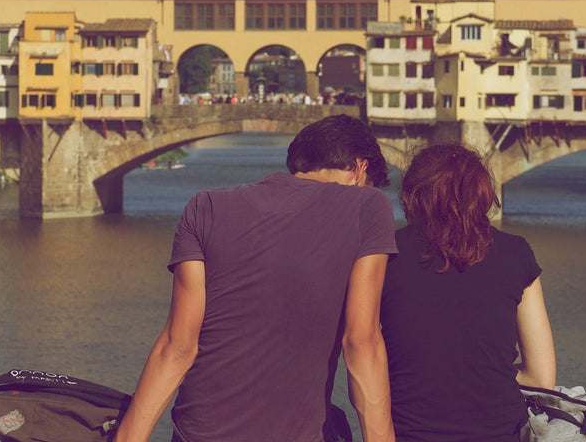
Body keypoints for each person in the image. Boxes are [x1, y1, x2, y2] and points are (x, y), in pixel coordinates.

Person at [114, 114, 398, 442]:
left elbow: (178, 346)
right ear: (360, 170)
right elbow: (361, 343)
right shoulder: (368, 205)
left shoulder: (203, 207)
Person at [380, 143, 556, 442]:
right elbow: (541, 379)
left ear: (412, 195)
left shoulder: (384, 255)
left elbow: (360, 349)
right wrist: (482, 372)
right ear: (482, 193)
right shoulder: (516, 253)